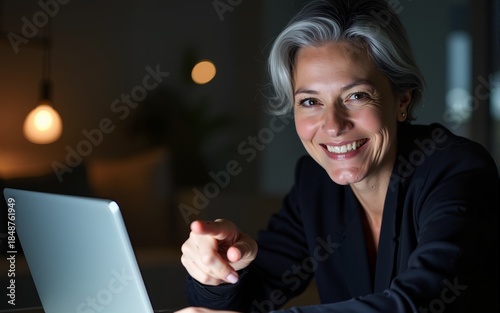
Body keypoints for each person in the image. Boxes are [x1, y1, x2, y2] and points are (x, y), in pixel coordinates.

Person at [176, 0, 500, 312]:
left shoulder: (457, 171)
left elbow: (419, 302)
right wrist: (219, 272)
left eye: (356, 96)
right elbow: (246, 299)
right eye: (310, 102)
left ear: (402, 101)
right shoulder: (315, 184)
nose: (333, 125)